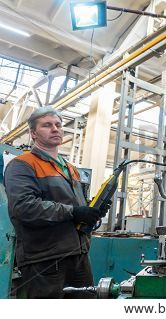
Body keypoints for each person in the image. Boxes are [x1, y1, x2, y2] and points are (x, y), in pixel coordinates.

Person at [4, 106, 108, 298]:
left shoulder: (71, 169)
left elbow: (78, 208)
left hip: (79, 256)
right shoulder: (22, 165)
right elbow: (24, 208)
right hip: (45, 260)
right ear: (33, 133)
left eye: (58, 125)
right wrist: (74, 212)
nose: (55, 129)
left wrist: (93, 213)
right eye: (47, 125)